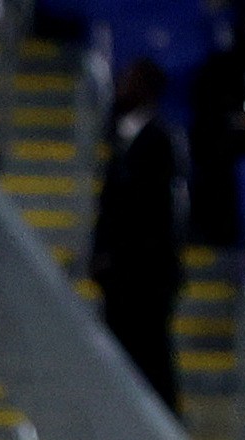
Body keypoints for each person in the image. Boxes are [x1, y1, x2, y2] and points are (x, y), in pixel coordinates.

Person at [91, 58, 185, 415]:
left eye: (129, 81)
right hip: (124, 275)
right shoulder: (123, 138)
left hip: (144, 277)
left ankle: (165, 425)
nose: (120, 88)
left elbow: (148, 213)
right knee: (126, 353)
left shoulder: (157, 142)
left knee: (152, 353)